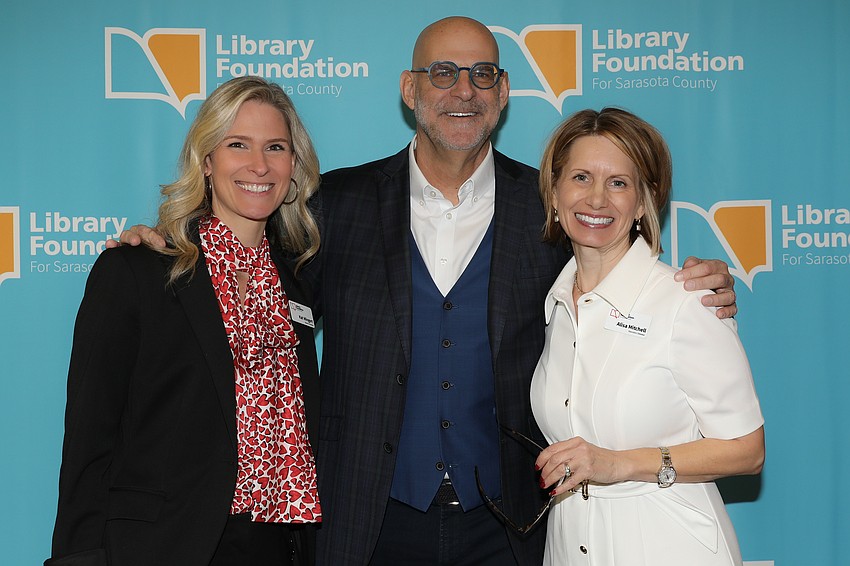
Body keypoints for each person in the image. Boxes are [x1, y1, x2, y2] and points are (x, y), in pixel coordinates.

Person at [113, 17, 739, 566]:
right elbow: (249, 283)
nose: (463, 90)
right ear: (410, 90)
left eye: (482, 74)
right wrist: (173, 240)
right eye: (442, 73)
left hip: (512, 526)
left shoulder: (549, 210)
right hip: (369, 520)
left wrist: (696, 281)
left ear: (503, 94)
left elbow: (615, 271)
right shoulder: (337, 205)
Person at [46, 76, 323, 566]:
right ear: (207, 161)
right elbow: (90, 434)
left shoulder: (298, 279)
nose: (259, 165)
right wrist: (78, 557)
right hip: (161, 546)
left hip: (276, 545)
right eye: (238, 144)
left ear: (293, 167)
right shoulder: (138, 269)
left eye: (275, 147)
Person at [530, 107, 765, 565]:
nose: (596, 198)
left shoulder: (686, 303)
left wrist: (621, 464)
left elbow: (747, 450)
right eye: (581, 177)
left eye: (618, 183)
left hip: (669, 546)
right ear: (555, 192)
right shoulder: (555, 302)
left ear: (643, 202)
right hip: (570, 546)